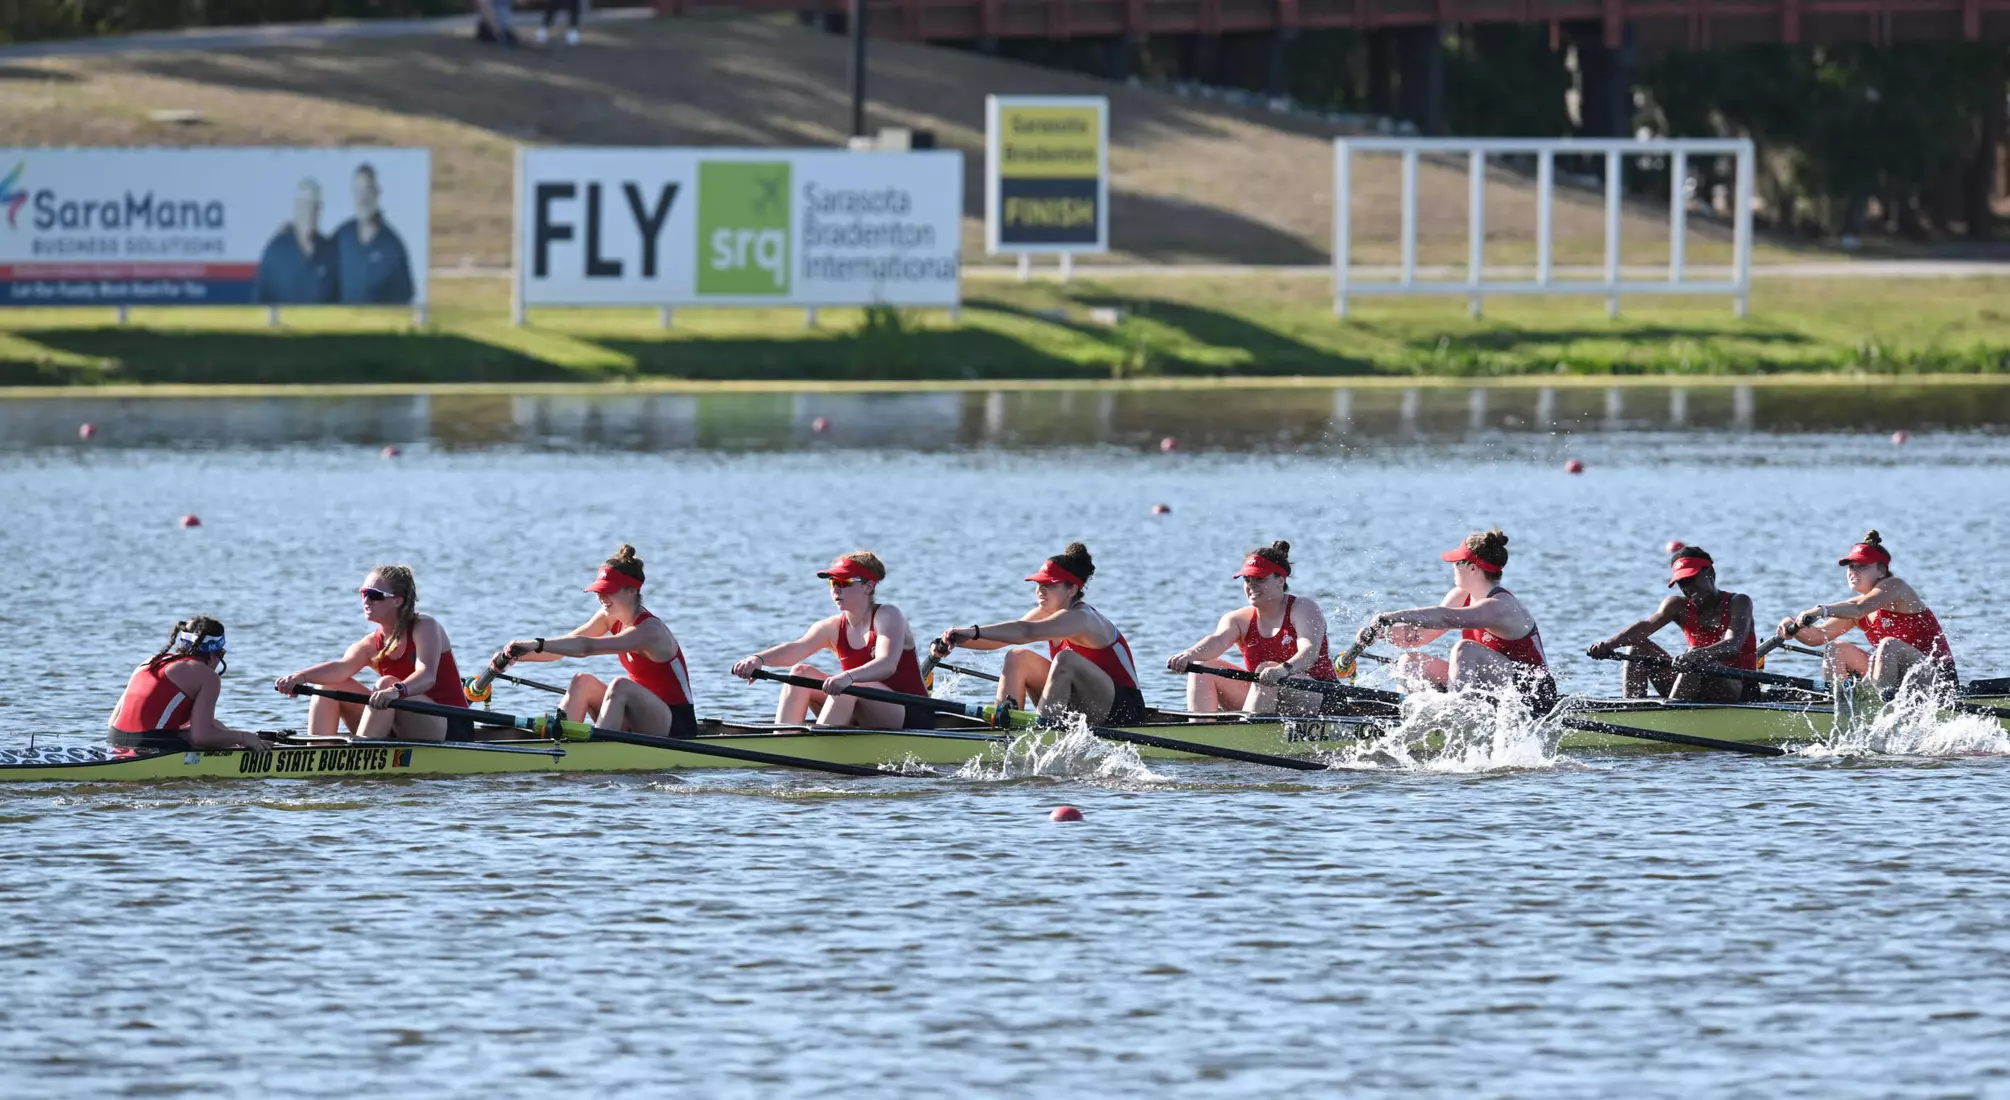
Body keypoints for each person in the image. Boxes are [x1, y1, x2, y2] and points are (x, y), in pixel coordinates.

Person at [489, 545, 697, 738]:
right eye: (599, 590)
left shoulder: (650, 631)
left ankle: (596, 749)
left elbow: (587, 647)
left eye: (609, 590)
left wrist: (536, 643)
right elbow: (563, 648)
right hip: (641, 715)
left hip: (676, 725)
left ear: (632, 590)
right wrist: (516, 655)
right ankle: (558, 743)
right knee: (582, 682)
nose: (602, 597)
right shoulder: (609, 617)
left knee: (620, 686)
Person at [932, 542, 1148, 726]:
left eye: (1049, 585)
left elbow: (1026, 632)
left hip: (1124, 712)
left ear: (1072, 589)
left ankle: (1040, 735)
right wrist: (954, 640)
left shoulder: (1083, 618)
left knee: (1065, 659)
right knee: (1017, 657)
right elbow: (998, 640)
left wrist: (974, 630)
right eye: (1038, 584)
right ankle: (1001, 728)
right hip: (1082, 703)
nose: (1040, 590)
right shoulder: (1046, 612)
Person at [1360, 529, 1558, 713]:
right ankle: (1410, 716)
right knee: (1410, 662)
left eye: (1457, 563)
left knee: (1465, 649)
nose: (1453, 567)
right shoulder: (1461, 595)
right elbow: (1420, 635)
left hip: (1534, 692)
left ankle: (1457, 714)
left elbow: (1445, 618)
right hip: (1494, 682)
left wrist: (1392, 617)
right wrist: (1380, 632)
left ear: (1472, 568)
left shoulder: (1500, 605)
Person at [730, 552, 934, 730]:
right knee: (800, 673)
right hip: (864, 707)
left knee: (849, 687)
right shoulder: (832, 627)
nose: (836, 589)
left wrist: (848, 677)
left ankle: (818, 747)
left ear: (868, 587)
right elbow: (796, 649)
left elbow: (886, 664)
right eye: (833, 583)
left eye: (845, 583)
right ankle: (783, 739)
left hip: (912, 715)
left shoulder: (888, 615)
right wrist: (758, 659)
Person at [273, 565, 469, 741]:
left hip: (450, 725)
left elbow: (426, 676)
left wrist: (395, 690)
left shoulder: (424, 626)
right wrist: (301, 677)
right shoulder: (370, 644)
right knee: (328, 685)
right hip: (399, 717)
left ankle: (361, 757)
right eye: (363, 593)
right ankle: (317, 753)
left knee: (385, 684)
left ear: (397, 601)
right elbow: (341, 669)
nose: (366, 601)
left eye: (374, 595)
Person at [1165, 540, 1339, 716]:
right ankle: (1201, 728)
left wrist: (1282, 670)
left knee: (1265, 669)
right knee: (1202, 667)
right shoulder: (1238, 619)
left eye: (1260, 579)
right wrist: (1189, 655)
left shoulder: (1303, 608)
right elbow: (1217, 641)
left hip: (1321, 698)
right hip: (1265, 695)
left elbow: (1309, 651)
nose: (1251, 585)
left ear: (1280, 581)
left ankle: (1250, 729)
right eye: (1247, 579)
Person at [1775, 530, 1958, 694]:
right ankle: (1841, 702)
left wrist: (1821, 611)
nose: (1853, 571)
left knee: (1888, 645)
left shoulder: (1896, 587)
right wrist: (1791, 624)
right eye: (1851, 566)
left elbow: (1860, 608)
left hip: (1938, 680)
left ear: (1881, 571)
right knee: (1835, 649)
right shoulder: (1854, 609)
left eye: (1861, 566)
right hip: (1897, 681)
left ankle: (1872, 702)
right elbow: (1817, 636)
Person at [1587, 545, 1759, 702]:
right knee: (1636, 646)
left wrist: (1695, 655)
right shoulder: (1677, 606)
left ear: (1710, 574)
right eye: (1682, 583)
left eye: (1691, 579)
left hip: (1739, 689)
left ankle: (1670, 714)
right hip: (1692, 680)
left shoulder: (1739, 602)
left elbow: (1732, 645)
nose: (1687, 588)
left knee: (1696, 656)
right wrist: (1609, 644)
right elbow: (1645, 627)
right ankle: (1631, 710)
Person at [108, 617, 265, 750]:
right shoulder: (207, 676)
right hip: (149, 744)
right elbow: (202, 737)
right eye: (222, 653)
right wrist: (243, 737)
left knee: (216, 726)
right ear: (215, 652)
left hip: (115, 738)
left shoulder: (151, 661)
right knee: (216, 736)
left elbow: (112, 722)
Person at [330, 164, 415, 305]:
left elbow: (405, 303)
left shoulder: (393, 247)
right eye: (358, 191)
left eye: (367, 190)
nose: (362, 198)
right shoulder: (341, 236)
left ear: (377, 192)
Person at [254, 179, 338, 304]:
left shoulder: (330, 252)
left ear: (320, 210)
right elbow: (259, 305)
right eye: (303, 206)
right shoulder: (275, 252)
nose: (308, 212)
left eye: (313, 206)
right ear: (295, 208)